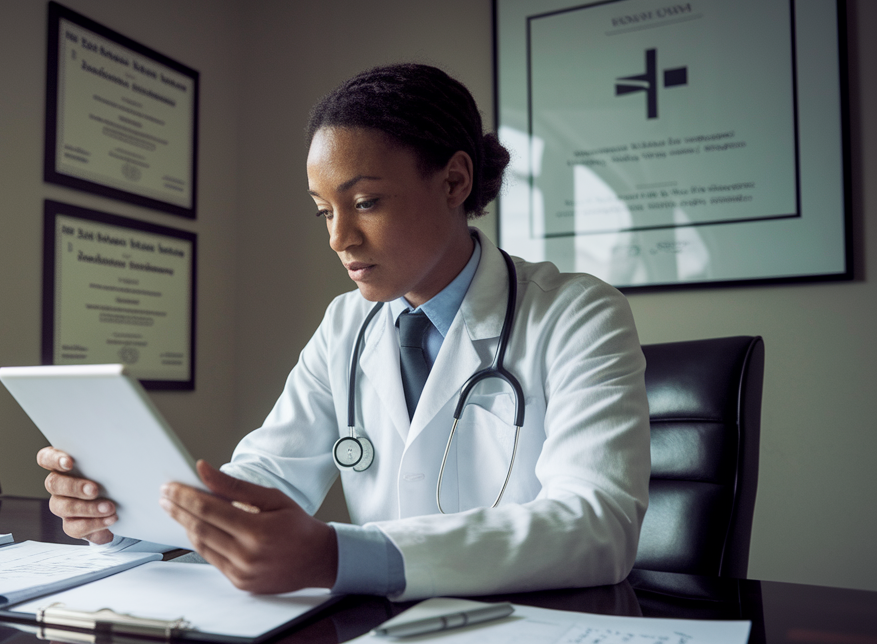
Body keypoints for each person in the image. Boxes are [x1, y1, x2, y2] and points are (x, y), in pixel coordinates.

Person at [38, 63, 651, 600]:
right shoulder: (345, 325)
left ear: (454, 181)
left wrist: (340, 555)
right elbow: (268, 477)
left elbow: (597, 522)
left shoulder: (579, 314)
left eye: (365, 203)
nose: (339, 239)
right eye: (324, 211)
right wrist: (128, 514)